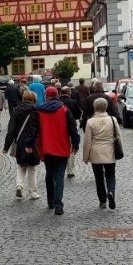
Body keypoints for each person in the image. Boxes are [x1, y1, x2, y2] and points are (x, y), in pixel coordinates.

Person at [36, 85, 80, 216]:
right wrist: (76, 143)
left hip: (46, 147)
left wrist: (30, 144)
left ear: (46, 96)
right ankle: (58, 204)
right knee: (59, 176)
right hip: (61, 147)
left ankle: (50, 201)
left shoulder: (39, 111)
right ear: (57, 95)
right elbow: (73, 129)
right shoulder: (64, 110)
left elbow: (35, 129)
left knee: (49, 174)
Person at [83, 97, 122, 210]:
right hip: (110, 151)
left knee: (99, 177)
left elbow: (87, 141)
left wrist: (85, 157)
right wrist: (120, 150)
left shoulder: (90, 121)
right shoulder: (113, 120)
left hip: (96, 153)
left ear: (95, 108)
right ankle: (111, 191)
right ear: (106, 107)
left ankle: (102, 200)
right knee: (110, 175)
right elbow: (118, 136)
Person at [3, 91, 41, 200]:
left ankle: (19, 185)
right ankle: (33, 192)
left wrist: (6, 146)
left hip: (20, 142)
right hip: (32, 143)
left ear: (24, 99)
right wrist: (30, 144)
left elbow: (11, 130)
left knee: (21, 165)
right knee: (32, 167)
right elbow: (35, 129)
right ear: (34, 99)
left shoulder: (16, 111)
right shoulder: (35, 111)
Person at [59, 87, 83, 178]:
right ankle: (70, 170)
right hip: (71, 126)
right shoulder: (73, 102)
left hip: (59, 128)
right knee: (71, 148)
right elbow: (78, 113)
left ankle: (60, 168)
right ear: (69, 93)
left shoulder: (58, 103)